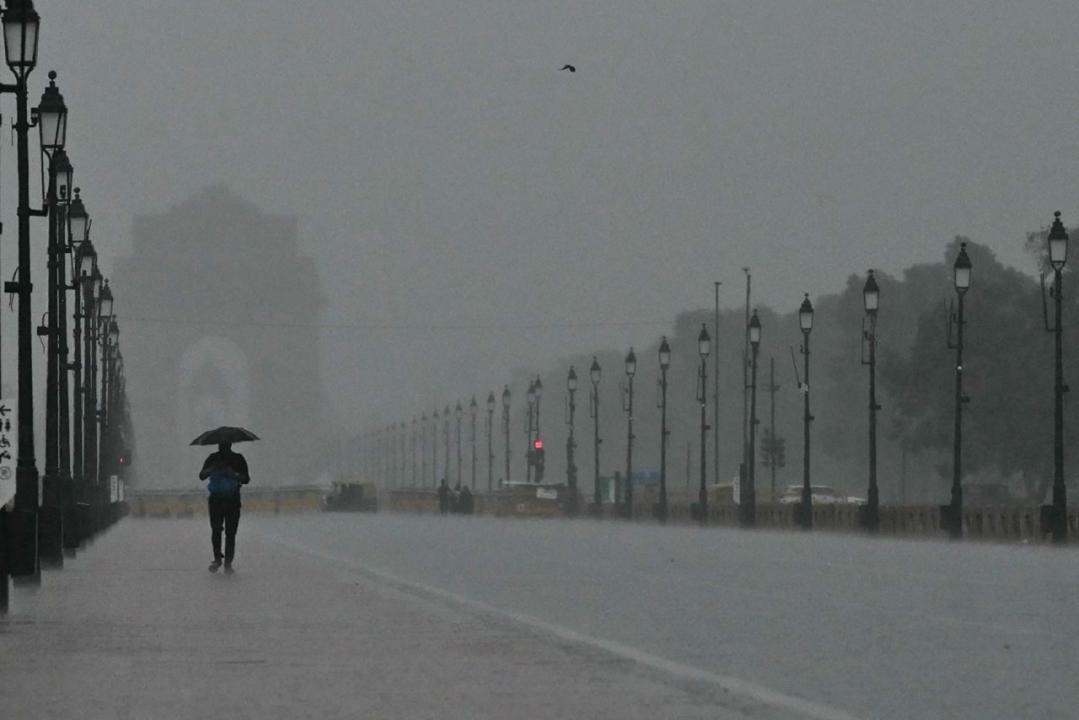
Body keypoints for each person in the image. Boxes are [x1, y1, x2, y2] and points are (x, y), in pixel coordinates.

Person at [199, 441, 250, 573]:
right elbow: (202, 475)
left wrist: (231, 472)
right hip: (225, 500)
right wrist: (213, 468)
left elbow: (246, 479)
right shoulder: (219, 459)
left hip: (224, 500)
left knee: (224, 532)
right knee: (224, 532)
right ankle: (223, 561)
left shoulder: (233, 459)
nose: (223, 447)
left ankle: (223, 561)